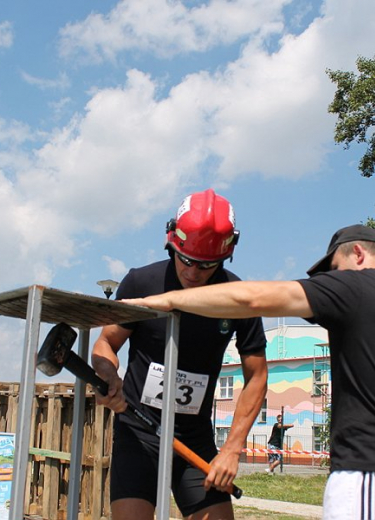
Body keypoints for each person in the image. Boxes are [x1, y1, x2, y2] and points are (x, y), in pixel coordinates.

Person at [124, 224, 375, 520]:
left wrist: (169, 302)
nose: (335, 279)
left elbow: (254, 300)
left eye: (336, 270)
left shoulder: (358, 287)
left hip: (373, 476)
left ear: (358, 254)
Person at [92, 189, 268, 520]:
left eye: (205, 265)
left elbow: (257, 375)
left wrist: (231, 450)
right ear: (171, 240)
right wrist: (108, 376)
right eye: (184, 258)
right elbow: (105, 344)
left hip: (193, 439)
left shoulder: (237, 298)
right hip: (138, 431)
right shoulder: (141, 282)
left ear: (225, 256)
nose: (191, 272)